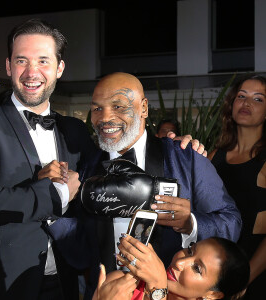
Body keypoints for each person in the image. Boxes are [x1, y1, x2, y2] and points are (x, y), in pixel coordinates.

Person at [72, 72, 241, 298]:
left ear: (143, 108)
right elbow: (78, 244)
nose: (104, 117)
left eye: (118, 106)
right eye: (96, 108)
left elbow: (232, 222)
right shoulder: (85, 168)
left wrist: (189, 223)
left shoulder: (185, 158)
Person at [0, 19, 96, 300]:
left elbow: (102, 177)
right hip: (4, 286)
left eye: (43, 61)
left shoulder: (74, 130)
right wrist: (56, 194)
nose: (31, 72)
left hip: (67, 281)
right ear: (9, 67)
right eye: (22, 61)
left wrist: (176, 147)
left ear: (59, 68)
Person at [208, 74, 266, 300]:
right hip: (218, 272)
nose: (247, 103)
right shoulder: (214, 157)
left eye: (258, 99)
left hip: (256, 276)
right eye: (241, 96)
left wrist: (244, 279)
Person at [93, 235, 250, 300]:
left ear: (213, 295)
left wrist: (158, 289)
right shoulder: (122, 286)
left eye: (197, 268)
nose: (180, 263)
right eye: (189, 251)